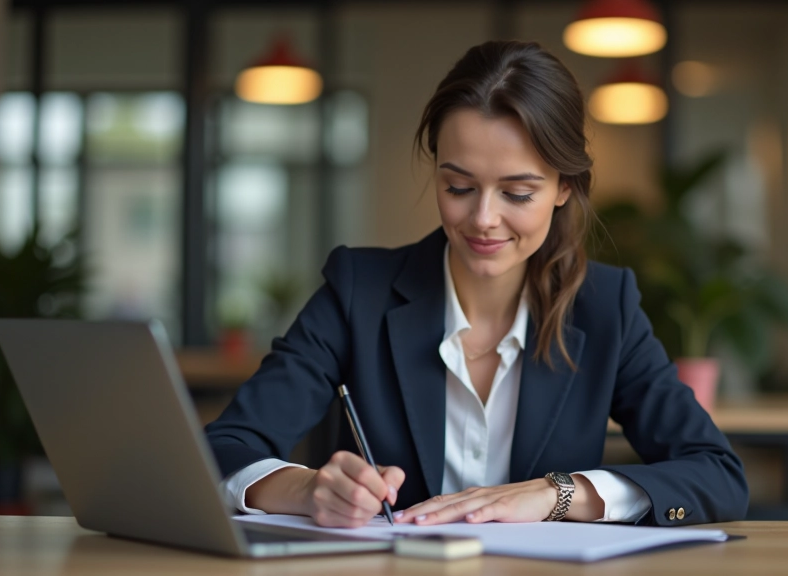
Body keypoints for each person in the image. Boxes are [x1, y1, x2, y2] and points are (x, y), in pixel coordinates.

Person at [205, 40, 748, 528]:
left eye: (517, 193)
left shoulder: (607, 308)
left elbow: (718, 475)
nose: (483, 218)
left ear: (565, 188)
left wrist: (555, 495)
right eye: (459, 186)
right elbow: (223, 447)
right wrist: (306, 489)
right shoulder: (358, 292)